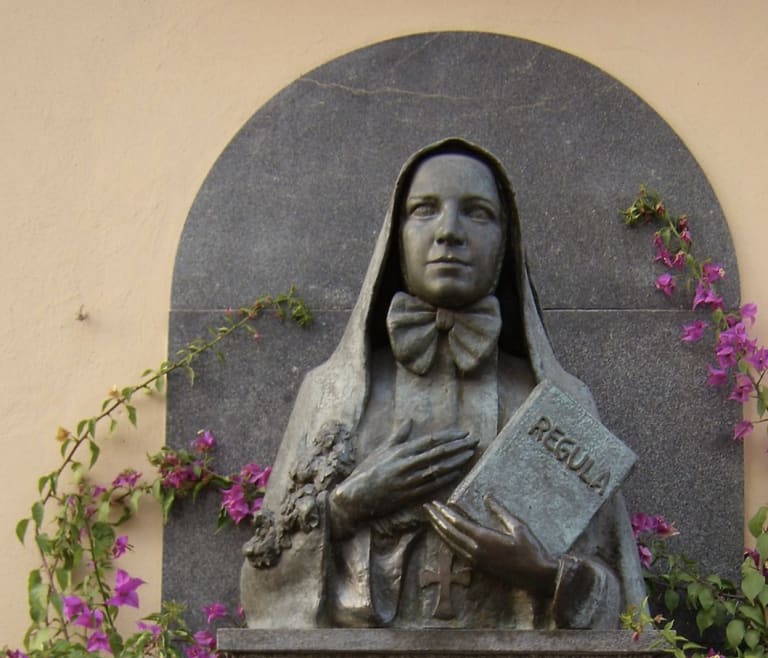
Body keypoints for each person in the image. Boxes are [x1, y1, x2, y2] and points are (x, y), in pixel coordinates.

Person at [241, 138, 645, 629]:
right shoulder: (331, 393)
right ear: (396, 238)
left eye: (477, 213)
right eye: (424, 210)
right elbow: (265, 591)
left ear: (505, 244)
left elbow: (623, 609)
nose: (449, 232)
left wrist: (544, 574)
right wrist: (347, 507)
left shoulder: (559, 401)